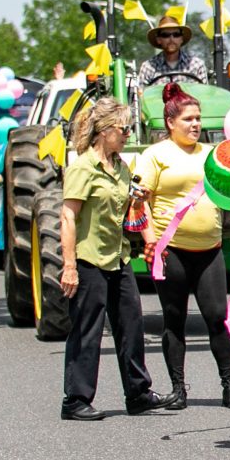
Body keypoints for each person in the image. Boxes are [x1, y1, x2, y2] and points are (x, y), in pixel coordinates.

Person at [58, 98, 176, 421]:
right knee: (87, 329)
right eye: (123, 129)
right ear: (104, 131)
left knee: (131, 323)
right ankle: (76, 399)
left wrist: (151, 239)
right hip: (89, 259)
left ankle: (138, 393)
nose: (127, 134)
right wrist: (69, 266)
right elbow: (68, 218)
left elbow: (134, 207)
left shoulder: (120, 167)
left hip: (118, 255)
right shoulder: (83, 167)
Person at [134, 84, 230, 410]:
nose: (195, 124)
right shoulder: (154, 156)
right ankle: (178, 390)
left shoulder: (212, 154)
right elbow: (141, 203)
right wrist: (150, 241)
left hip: (209, 250)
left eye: (198, 119)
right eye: (188, 119)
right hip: (172, 251)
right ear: (170, 122)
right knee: (174, 319)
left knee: (218, 319)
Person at [140, 8, 207, 87]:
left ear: (181, 38)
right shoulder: (148, 67)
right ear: (159, 40)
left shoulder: (196, 65)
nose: (171, 39)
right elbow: (142, 96)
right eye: (166, 35)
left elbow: (204, 96)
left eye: (176, 34)